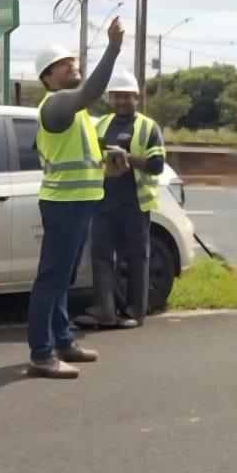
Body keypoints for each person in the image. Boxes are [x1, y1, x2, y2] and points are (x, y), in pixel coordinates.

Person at [27, 16, 124, 378]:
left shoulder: (77, 112)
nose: (72, 66)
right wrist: (113, 49)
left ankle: (63, 340)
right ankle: (42, 354)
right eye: (63, 64)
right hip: (64, 206)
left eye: (73, 61)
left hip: (80, 204)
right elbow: (90, 92)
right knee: (51, 280)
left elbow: (81, 157)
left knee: (63, 278)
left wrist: (107, 164)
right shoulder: (58, 104)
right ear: (48, 78)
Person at [76, 72, 165, 330]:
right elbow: (91, 157)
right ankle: (104, 310)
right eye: (116, 96)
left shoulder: (148, 127)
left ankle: (135, 312)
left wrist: (127, 157)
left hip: (134, 203)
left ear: (137, 98)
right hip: (104, 202)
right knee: (101, 255)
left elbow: (157, 164)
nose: (121, 101)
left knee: (137, 257)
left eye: (126, 96)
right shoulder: (102, 124)